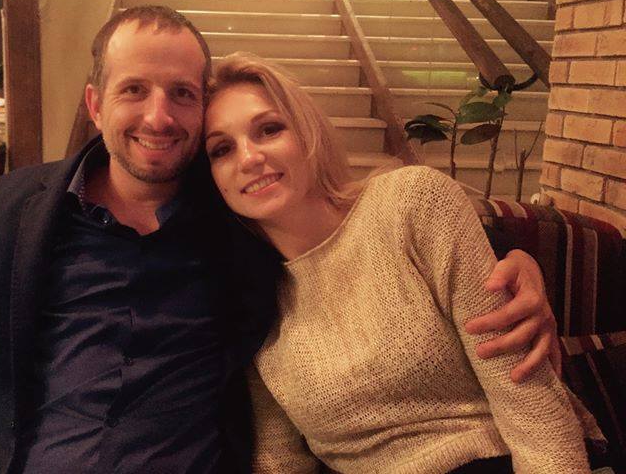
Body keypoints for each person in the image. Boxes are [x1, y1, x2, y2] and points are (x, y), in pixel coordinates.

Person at [0, 6, 559, 473]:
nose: (159, 116)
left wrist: (522, 262)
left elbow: (379, 231)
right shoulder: (21, 207)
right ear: (95, 103)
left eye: (182, 93)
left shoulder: (235, 220)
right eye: (134, 90)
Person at [203, 52, 600, 473]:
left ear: (306, 132)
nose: (249, 158)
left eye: (269, 130)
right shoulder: (249, 296)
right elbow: (279, 458)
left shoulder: (412, 203)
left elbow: (525, 396)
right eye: (222, 149)